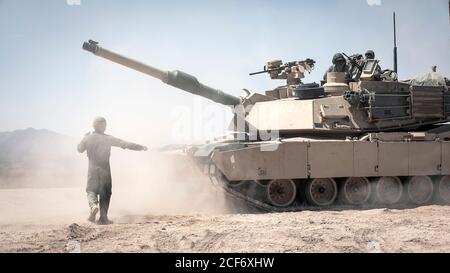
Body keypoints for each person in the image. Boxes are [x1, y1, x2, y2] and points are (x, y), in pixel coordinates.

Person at [77, 117, 147, 225]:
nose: (105, 126)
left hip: (92, 170)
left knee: (91, 190)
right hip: (105, 170)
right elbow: (125, 144)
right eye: (105, 124)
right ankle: (103, 218)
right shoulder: (108, 138)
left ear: (93, 126)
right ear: (102, 126)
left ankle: (93, 206)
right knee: (105, 193)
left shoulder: (88, 138)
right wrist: (140, 147)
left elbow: (79, 149)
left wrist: (84, 138)